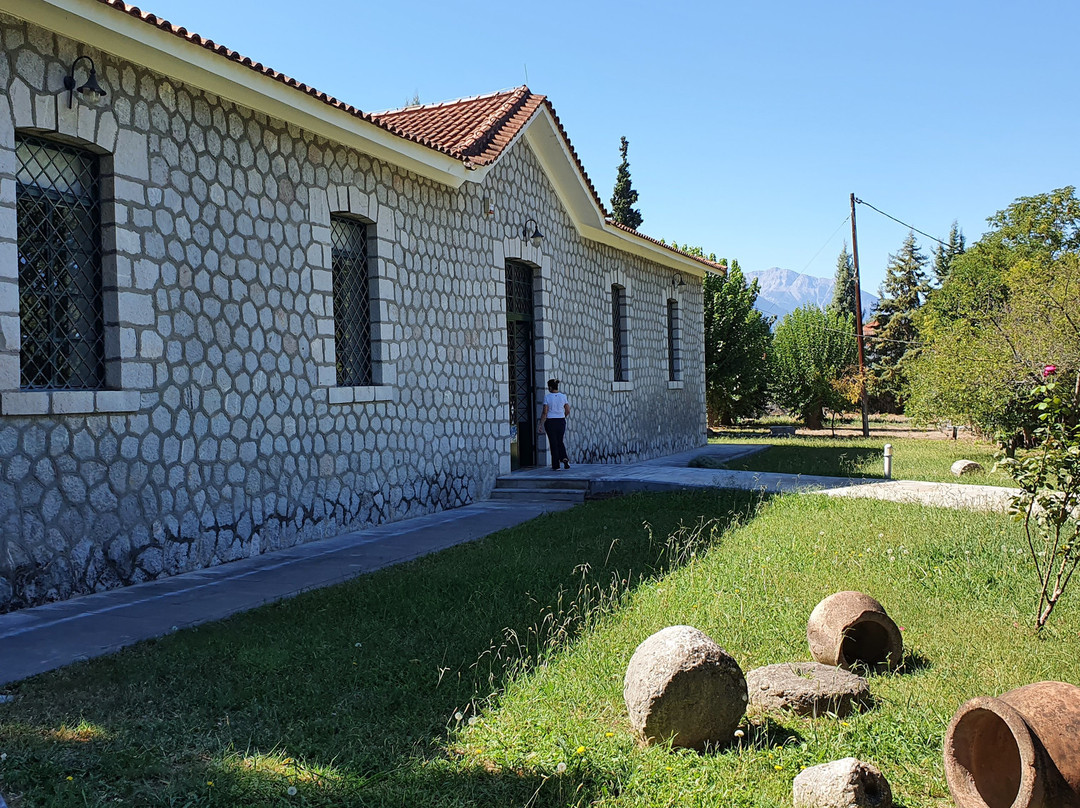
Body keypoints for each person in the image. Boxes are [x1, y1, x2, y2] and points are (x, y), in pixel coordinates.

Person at [538, 378, 570, 471]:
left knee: (553, 443)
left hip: (551, 421)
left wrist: (541, 424)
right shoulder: (563, 396)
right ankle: (564, 458)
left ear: (550, 387)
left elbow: (545, 411)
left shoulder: (547, 397)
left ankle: (556, 465)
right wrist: (562, 416)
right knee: (560, 441)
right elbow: (567, 410)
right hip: (561, 421)